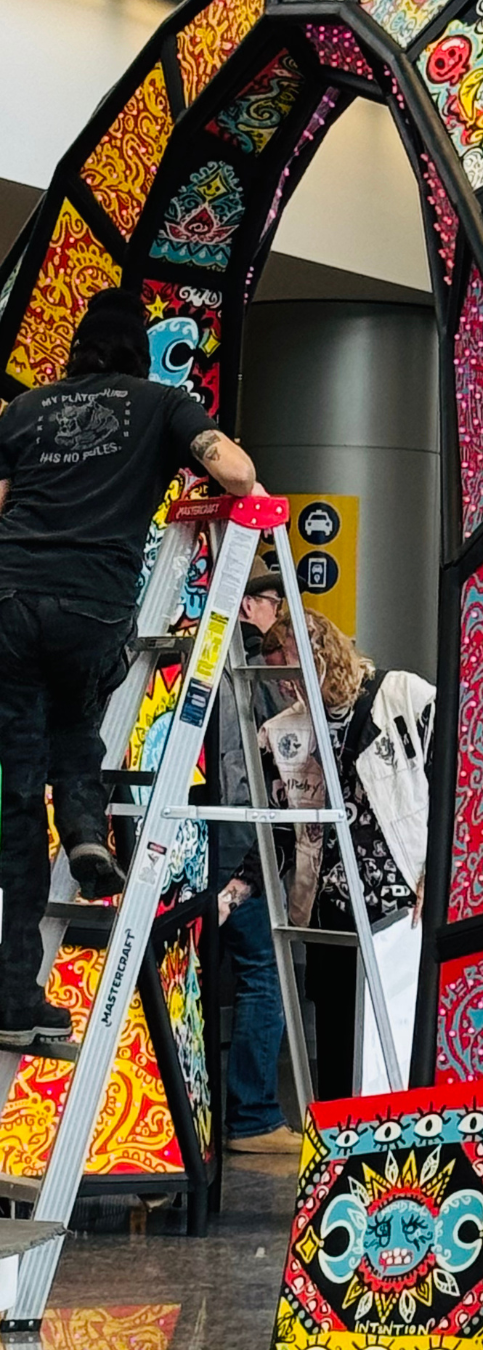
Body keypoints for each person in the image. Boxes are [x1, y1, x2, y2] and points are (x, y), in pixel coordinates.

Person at [0, 287, 261, 1049]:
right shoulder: (163, 404)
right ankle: (84, 827)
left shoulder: (26, 411)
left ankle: (14, 990)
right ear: (138, 349)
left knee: (16, 791)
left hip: (8, 599)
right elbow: (237, 473)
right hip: (91, 603)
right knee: (79, 719)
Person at [219, 610, 434, 1100]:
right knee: (337, 1051)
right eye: (280, 678)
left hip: (402, 911)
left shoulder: (405, 698)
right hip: (329, 916)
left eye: (292, 674)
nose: (288, 691)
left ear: (323, 659)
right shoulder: (284, 731)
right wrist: (234, 893)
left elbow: (457, 791)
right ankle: (339, 1157)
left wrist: (439, 877)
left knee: (401, 1044)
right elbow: (280, 831)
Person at [214, 558, 300, 1153]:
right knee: (263, 977)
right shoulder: (256, 668)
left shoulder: (199, 657)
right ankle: (253, 1117)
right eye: (273, 603)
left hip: (200, 842)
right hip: (244, 844)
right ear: (251, 605)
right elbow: (270, 765)